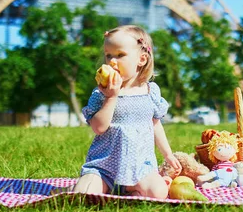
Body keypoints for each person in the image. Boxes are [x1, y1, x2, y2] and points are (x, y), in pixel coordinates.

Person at [73, 25, 182, 198]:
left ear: (142, 59)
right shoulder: (101, 93)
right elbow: (98, 128)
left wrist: (167, 154)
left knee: (158, 193)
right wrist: (111, 97)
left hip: (140, 166)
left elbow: (155, 125)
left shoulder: (150, 91)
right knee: (83, 194)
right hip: (104, 166)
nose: (112, 61)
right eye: (108, 55)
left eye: (120, 55)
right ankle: (107, 186)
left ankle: (131, 188)